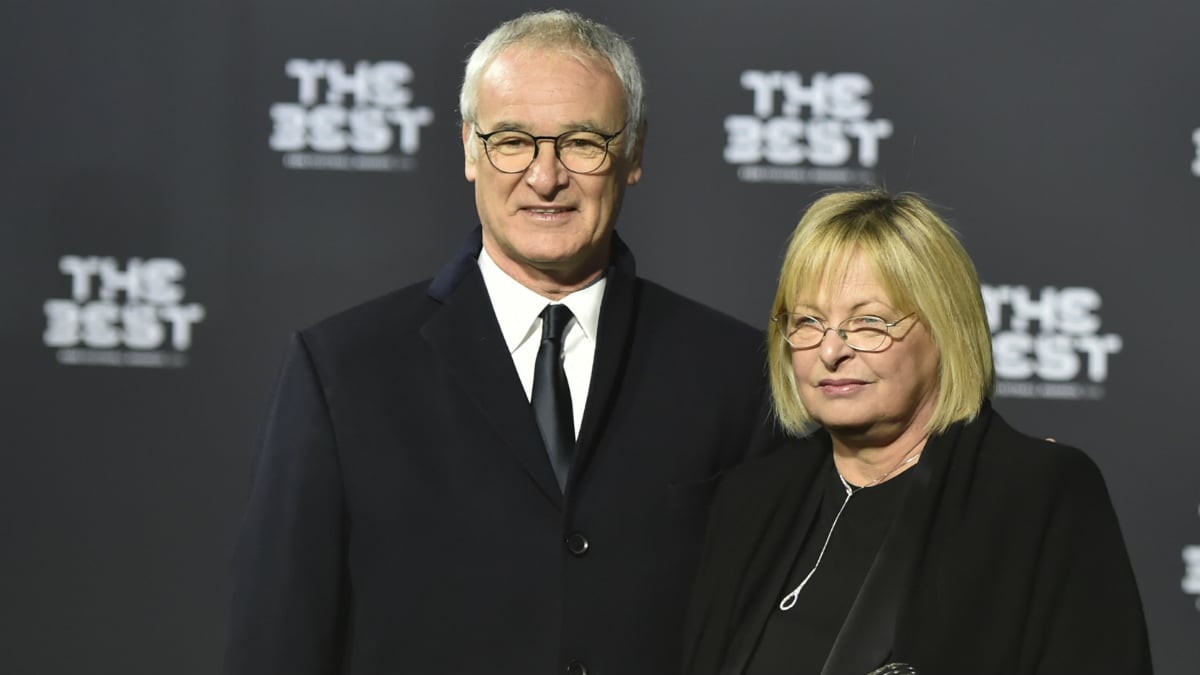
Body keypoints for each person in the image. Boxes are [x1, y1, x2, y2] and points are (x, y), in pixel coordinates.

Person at [223, 10, 777, 675]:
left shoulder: (731, 374)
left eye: (581, 142)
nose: (545, 177)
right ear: (468, 149)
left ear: (633, 154)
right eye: (512, 141)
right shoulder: (344, 370)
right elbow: (277, 645)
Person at [682, 190, 1152, 675]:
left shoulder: (1034, 493)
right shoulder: (751, 497)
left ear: (946, 329)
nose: (830, 351)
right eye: (808, 322)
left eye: (869, 323)